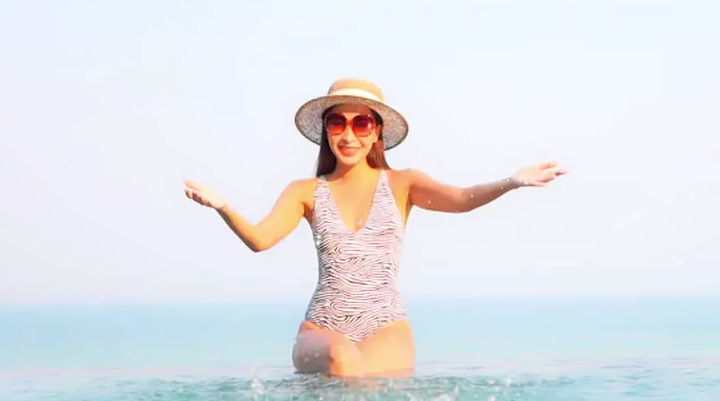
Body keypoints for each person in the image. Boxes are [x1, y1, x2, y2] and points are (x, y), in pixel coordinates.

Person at [183, 78, 568, 377]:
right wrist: (222, 206)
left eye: (361, 123)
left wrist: (511, 182)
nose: (349, 135)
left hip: (386, 327)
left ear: (376, 133)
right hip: (323, 328)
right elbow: (260, 240)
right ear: (325, 131)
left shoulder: (403, 184)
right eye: (337, 123)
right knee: (342, 358)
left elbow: (462, 199)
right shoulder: (305, 192)